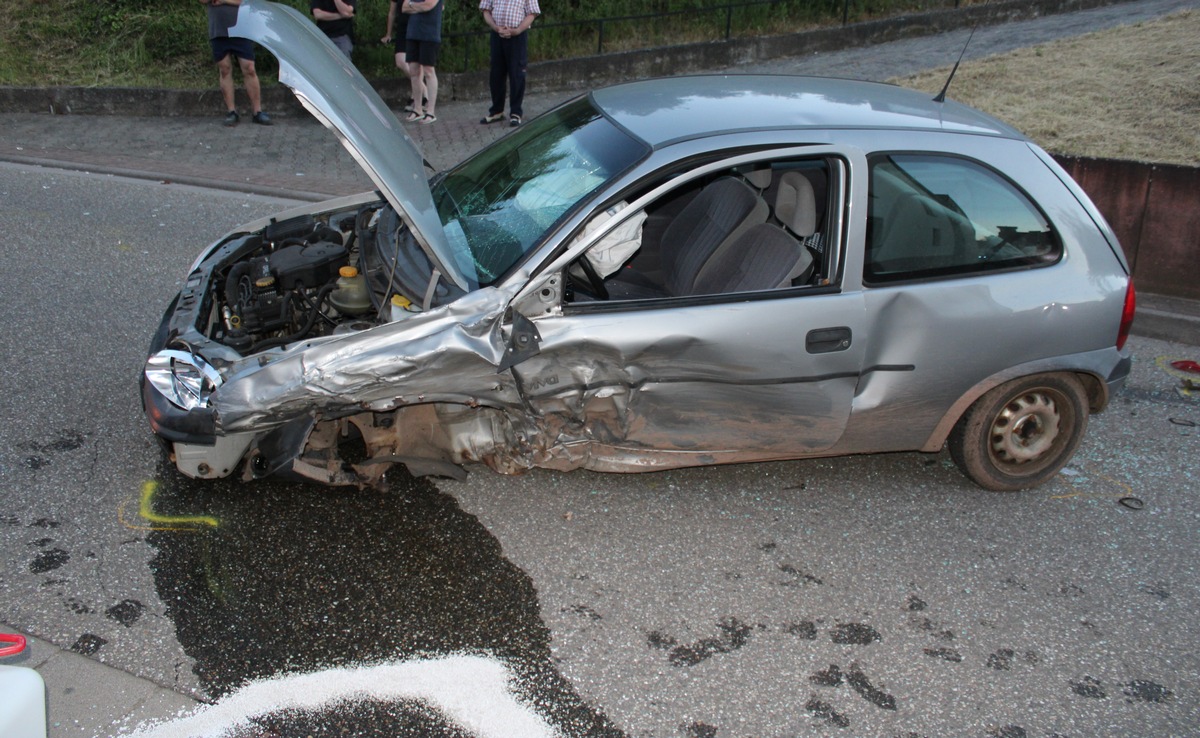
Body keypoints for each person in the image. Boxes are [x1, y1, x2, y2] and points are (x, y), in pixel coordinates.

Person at [200, 0, 271, 127]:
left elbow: (247, 2)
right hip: (218, 30)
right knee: (224, 69)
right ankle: (231, 112)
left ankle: (257, 111)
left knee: (249, 68)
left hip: (241, 29)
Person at [479, 0, 540, 127]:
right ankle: (497, 111)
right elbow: (486, 10)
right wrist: (495, 27)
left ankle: (516, 113)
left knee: (517, 74)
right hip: (497, 35)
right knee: (496, 75)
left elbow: (532, 13)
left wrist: (517, 30)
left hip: (517, 37)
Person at [403, 0, 443, 124]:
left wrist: (412, 5)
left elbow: (428, 5)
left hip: (429, 34)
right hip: (413, 32)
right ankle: (418, 109)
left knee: (428, 71)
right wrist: (416, 6)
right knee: (414, 71)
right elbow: (403, 7)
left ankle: (430, 111)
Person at [381, 0, 417, 111]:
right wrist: (388, 34)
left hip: (416, 26)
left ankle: (416, 96)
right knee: (400, 61)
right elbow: (392, 13)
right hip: (402, 29)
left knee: (414, 64)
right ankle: (423, 90)